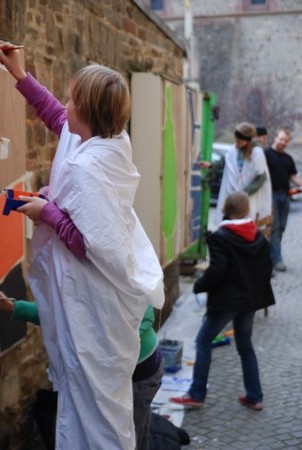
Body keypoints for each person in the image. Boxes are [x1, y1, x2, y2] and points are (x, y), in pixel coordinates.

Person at [0, 44, 165, 450]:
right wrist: (21, 77)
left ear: (87, 113)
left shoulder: (92, 167)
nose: (66, 105)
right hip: (98, 305)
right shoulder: (104, 140)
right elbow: (57, 116)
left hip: (100, 311)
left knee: (97, 419)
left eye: (73, 99)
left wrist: (47, 212)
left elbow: (90, 245)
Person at [0, 294, 163, 450]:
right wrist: (13, 306)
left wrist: (113, 341)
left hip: (137, 374)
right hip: (100, 376)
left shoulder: (119, 270)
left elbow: (145, 310)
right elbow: (56, 313)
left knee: (128, 437)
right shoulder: (76, 276)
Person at [169, 192, 275, 411]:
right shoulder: (257, 235)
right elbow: (266, 267)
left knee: (203, 341)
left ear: (226, 209)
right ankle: (255, 396)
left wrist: (199, 286)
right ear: (246, 211)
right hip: (250, 300)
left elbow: (217, 271)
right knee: (245, 345)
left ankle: (197, 393)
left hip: (228, 301)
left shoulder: (221, 236)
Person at [216, 122, 272, 231]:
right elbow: (226, 160)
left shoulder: (257, 152)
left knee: (245, 224)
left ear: (247, 141)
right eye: (236, 139)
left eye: (239, 141)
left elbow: (260, 177)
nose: (236, 143)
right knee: (229, 223)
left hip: (248, 196)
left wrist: (243, 194)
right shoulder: (234, 149)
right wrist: (212, 166)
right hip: (232, 193)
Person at [265, 129, 302, 271]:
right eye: (281, 139)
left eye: (285, 140)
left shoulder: (288, 158)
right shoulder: (265, 154)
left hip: (285, 196)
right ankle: (276, 260)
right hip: (270, 196)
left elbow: (293, 177)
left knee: (281, 227)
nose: (283, 142)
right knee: (273, 228)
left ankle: (271, 256)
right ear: (275, 138)